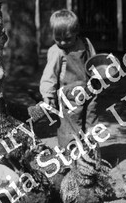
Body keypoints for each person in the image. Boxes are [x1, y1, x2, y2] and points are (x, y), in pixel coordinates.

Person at [36, 9, 98, 148]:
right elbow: (49, 75)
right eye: (58, 38)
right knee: (70, 126)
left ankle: (91, 152)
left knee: (91, 120)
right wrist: (48, 95)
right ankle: (72, 156)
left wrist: (98, 75)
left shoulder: (86, 44)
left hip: (89, 90)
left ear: (76, 31)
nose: (62, 42)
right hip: (68, 96)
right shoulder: (56, 51)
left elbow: (94, 62)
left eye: (68, 38)